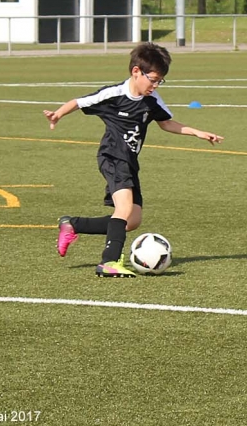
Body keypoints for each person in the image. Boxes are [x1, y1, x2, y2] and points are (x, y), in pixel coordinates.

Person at [44, 42, 224, 277]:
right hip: (112, 156)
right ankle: (109, 262)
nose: (155, 85)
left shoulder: (152, 100)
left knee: (132, 220)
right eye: (153, 79)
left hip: (129, 161)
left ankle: (73, 224)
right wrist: (58, 114)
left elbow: (166, 123)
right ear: (136, 71)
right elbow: (79, 102)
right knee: (124, 208)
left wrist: (197, 132)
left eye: (160, 81)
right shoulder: (114, 94)